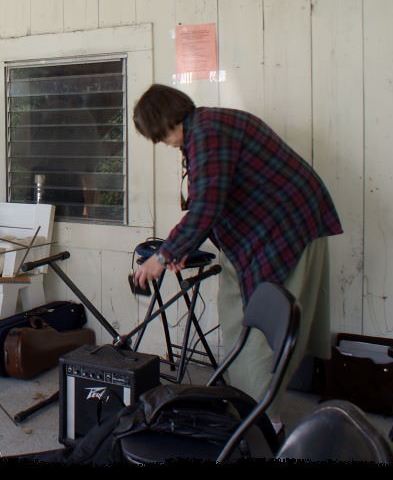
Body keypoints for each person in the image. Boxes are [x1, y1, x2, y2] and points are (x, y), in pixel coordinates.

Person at [130, 83, 343, 434]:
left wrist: (165, 255)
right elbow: (215, 199)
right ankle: (245, 402)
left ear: (166, 120)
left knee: (261, 326)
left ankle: (264, 421)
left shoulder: (208, 133)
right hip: (260, 231)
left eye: (160, 136)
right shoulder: (205, 128)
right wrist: (180, 248)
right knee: (235, 314)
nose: (164, 143)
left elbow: (207, 205)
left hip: (287, 229)